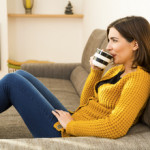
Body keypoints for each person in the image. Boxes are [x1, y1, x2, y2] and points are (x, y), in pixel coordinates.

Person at [0, 16, 150, 139]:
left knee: (11, 81)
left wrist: (70, 126)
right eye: (108, 40)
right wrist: (96, 71)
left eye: (114, 40)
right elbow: (85, 103)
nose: (108, 46)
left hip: (65, 133)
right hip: (75, 119)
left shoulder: (139, 79)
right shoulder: (116, 70)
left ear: (135, 44)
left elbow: (116, 127)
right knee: (21, 74)